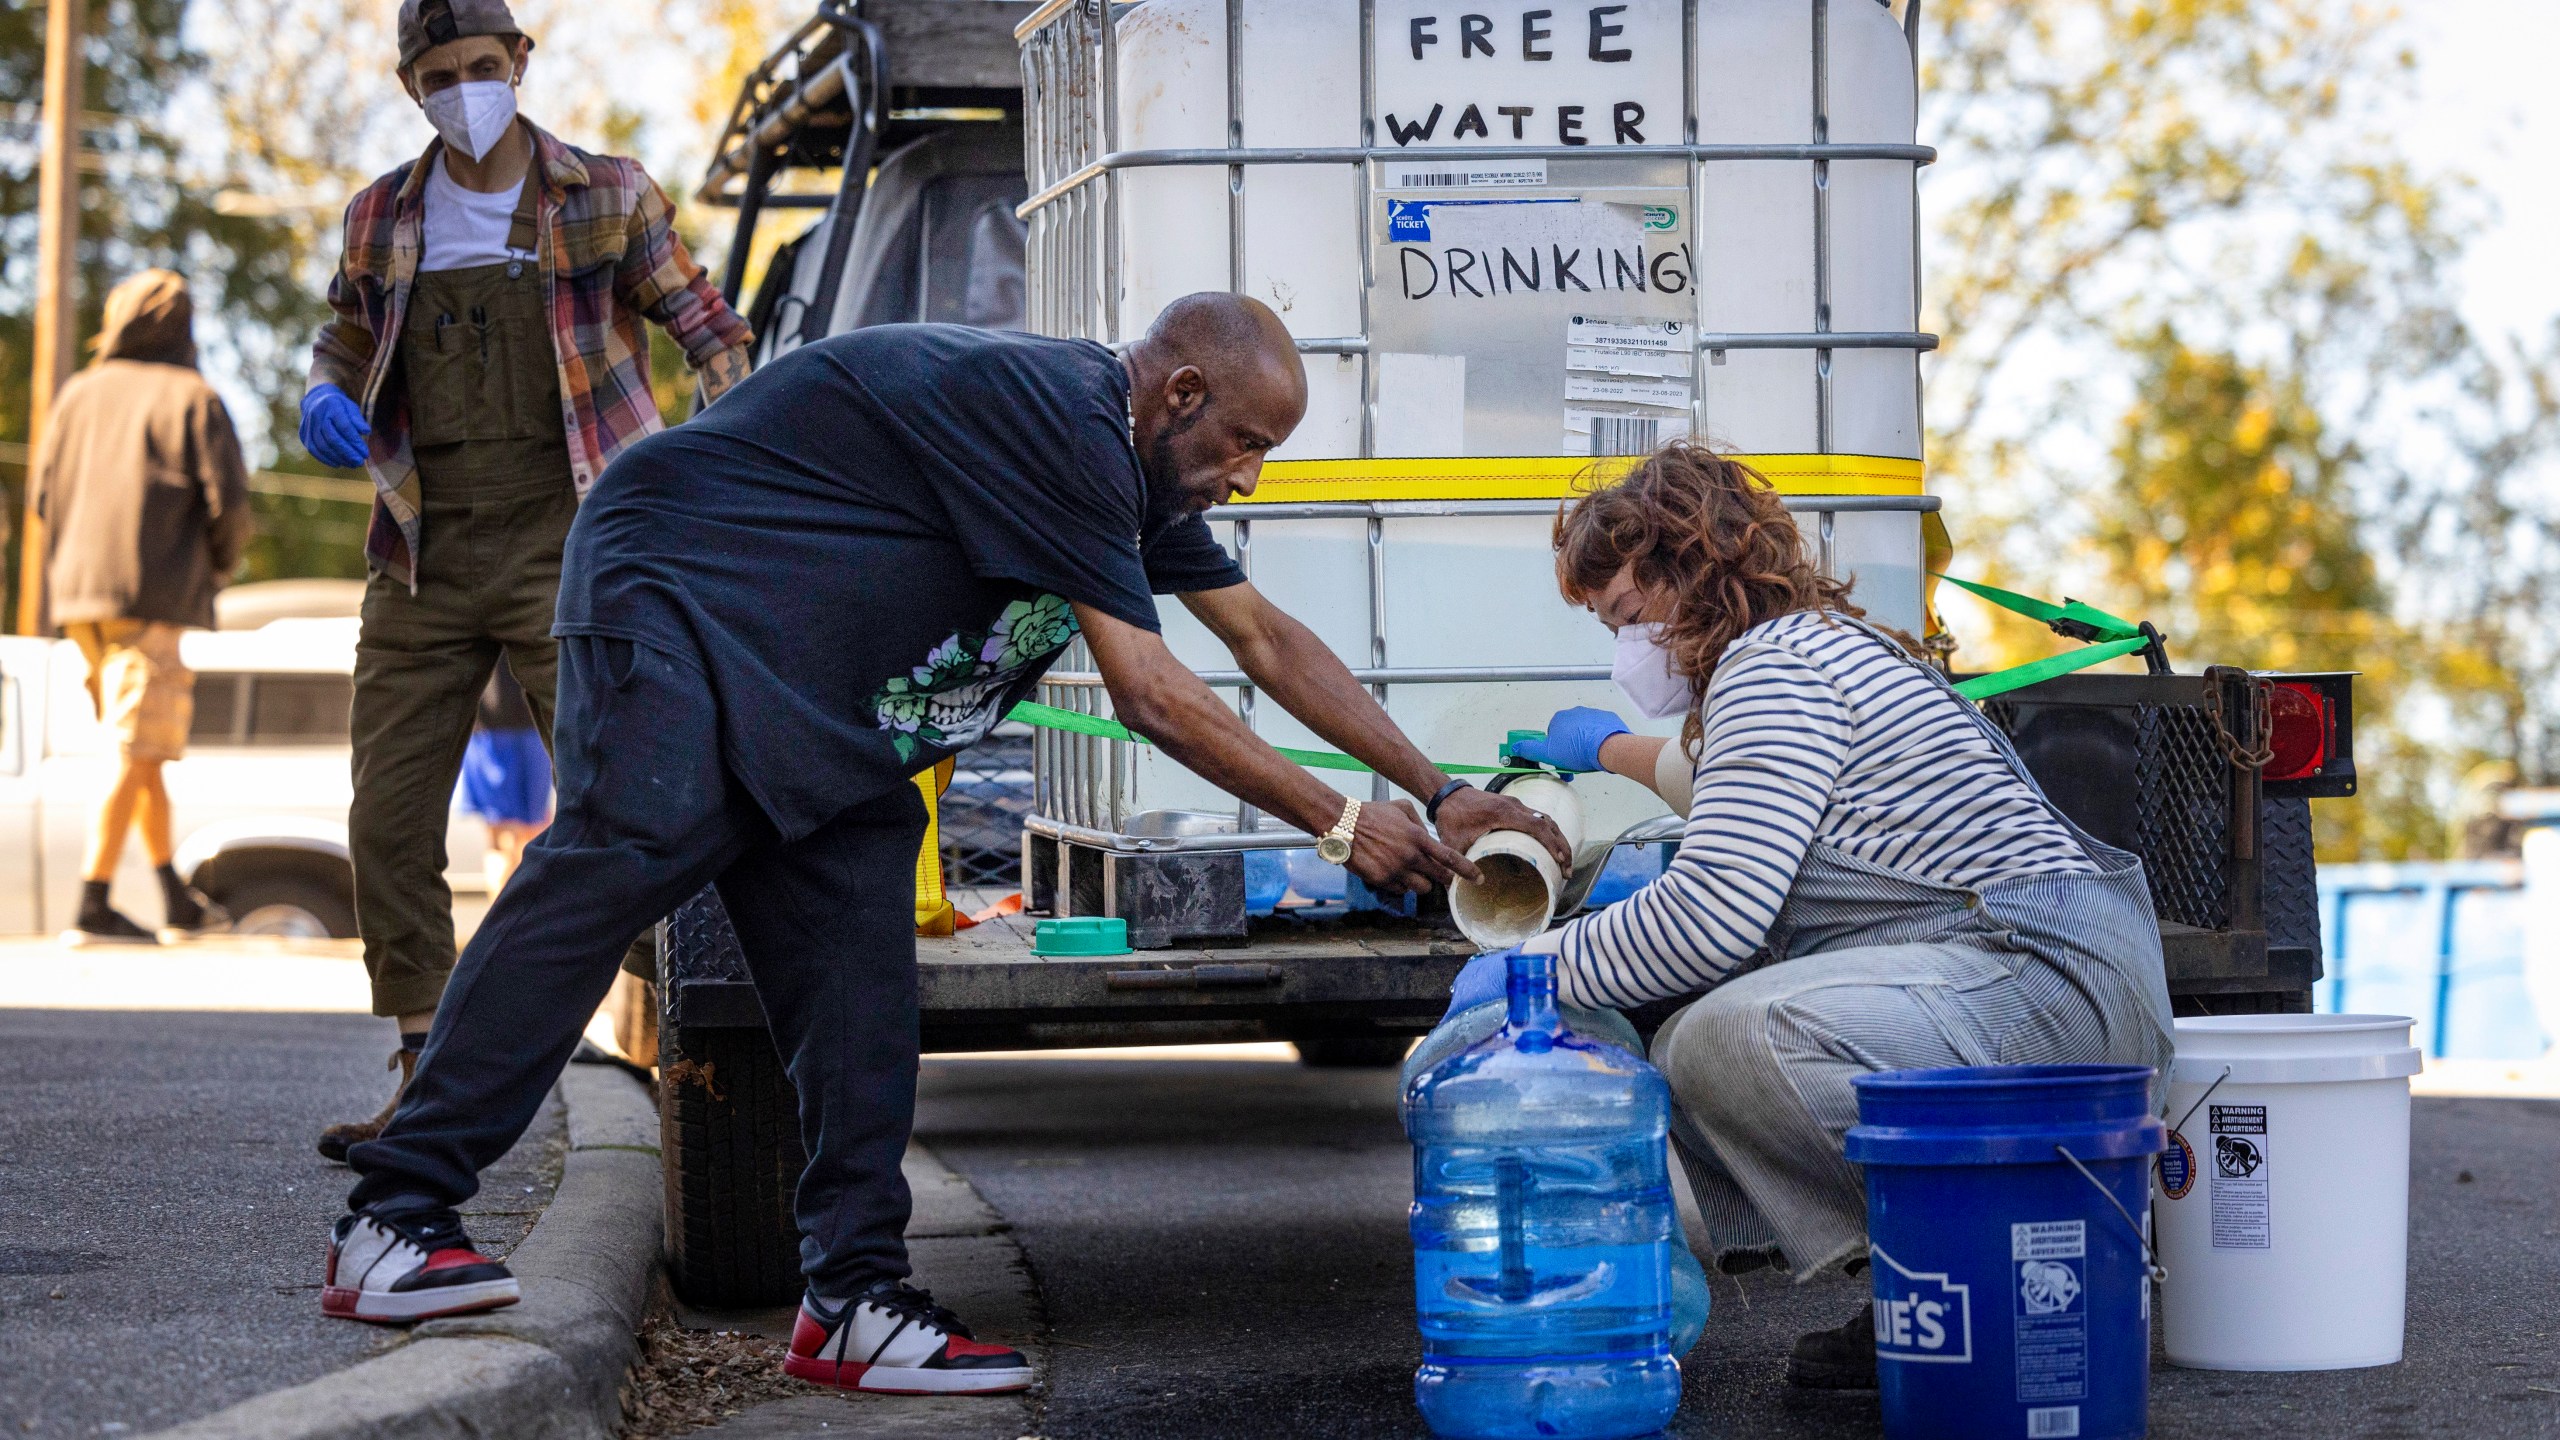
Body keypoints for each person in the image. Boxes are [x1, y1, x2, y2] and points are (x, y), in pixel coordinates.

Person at [318, 294, 1570, 1397]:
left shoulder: (1138, 473)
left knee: (859, 975)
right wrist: (1343, 824)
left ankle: (854, 1302)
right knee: (618, 861)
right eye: (1243, 441)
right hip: (680, 595)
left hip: (822, 694)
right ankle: (398, 1217)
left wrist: (1433, 786)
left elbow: (1263, 639)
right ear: (1179, 391)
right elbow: (1150, 691)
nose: (1246, 475)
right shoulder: (1066, 420)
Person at [1452, 444, 2174, 1391]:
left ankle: (2006, 1273)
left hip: (2036, 982)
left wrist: (1528, 968)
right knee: (1718, 1023)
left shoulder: (1773, 670)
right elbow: (1716, 786)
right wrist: (1605, 749)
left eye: (1627, 617)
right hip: (2042, 977)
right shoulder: (1810, 650)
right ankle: (1930, 1297)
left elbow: (1714, 914)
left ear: (1689, 566)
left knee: (1727, 1039)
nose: (1625, 649)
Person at [300, 0, 753, 1162]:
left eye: (484, 67)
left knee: (628, 802)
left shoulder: (605, 194)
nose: (466, 90)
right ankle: (422, 1074)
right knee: (386, 818)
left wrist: (715, 451)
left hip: (578, 545)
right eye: (442, 73)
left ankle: (691, 1054)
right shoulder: (379, 218)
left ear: (521, 64)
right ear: (412, 86)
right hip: (423, 547)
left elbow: (713, 332)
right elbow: (343, 339)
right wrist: (325, 392)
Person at [33, 269, 250, 944]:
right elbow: (230, 507)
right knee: (135, 749)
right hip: (152, 599)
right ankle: (91, 904)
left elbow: (43, 496)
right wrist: (212, 569)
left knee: (144, 748)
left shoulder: (77, 394)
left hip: (78, 602)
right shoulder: (196, 398)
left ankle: (172, 900)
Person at [460, 659, 550, 892]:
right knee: (519, 838)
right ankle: (511, 922)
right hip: (514, 725)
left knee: (506, 840)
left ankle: (506, 921)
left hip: (496, 725)